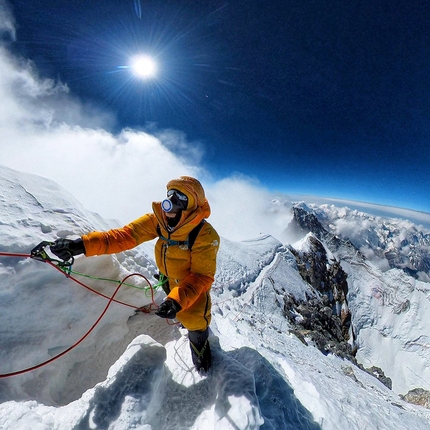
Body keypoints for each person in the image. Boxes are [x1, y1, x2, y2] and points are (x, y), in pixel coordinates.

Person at [45, 176, 219, 372]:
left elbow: (201, 277)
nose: (171, 202)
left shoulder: (205, 235)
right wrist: (81, 245)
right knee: (178, 311)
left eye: (180, 197)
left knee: (195, 319)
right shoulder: (159, 220)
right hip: (168, 279)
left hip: (190, 286)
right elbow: (125, 236)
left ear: (192, 205)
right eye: (170, 194)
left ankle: (202, 355)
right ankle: (180, 318)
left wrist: (176, 301)